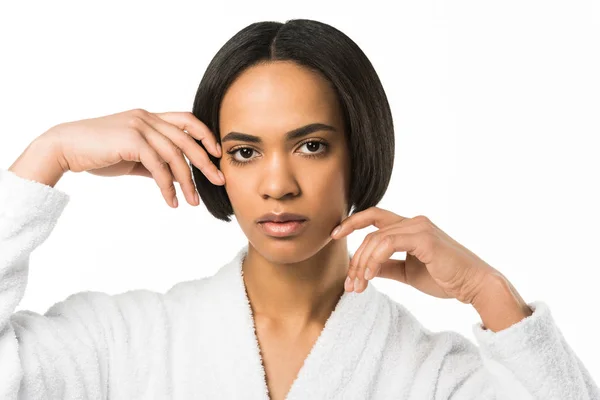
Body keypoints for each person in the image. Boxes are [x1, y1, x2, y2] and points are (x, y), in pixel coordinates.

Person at [0, 18, 597, 400]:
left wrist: (489, 291)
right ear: (215, 166)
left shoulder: (430, 374)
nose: (278, 184)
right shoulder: (128, 340)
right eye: (245, 151)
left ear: (358, 154)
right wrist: (46, 157)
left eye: (311, 146)